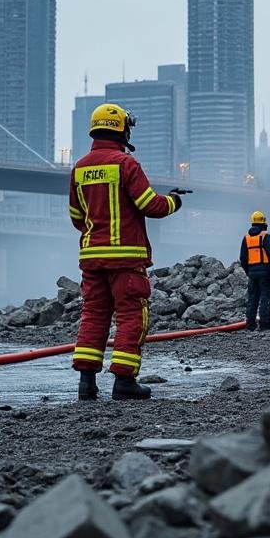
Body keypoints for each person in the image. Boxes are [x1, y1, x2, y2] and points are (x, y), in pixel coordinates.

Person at [69, 103, 182, 401]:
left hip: (92, 257)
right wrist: (174, 201)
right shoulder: (126, 164)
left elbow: (76, 217)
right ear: (121, 128)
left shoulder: (79, 168)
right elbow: (151, 206)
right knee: (132, 314)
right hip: (126, 257)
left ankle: (86, 384)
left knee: (93, 314)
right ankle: (124, 381)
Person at [239, 211, 270, 330]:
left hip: (252, 272)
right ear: (264, 222)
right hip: (265, 271)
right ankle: (264, 324)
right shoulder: (265, 236)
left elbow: (243, 258)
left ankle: (250, 324)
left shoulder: (246, 238)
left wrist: (248, 272)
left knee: (252, 298)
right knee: (266, 296)